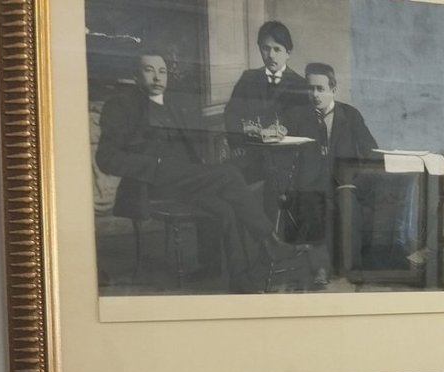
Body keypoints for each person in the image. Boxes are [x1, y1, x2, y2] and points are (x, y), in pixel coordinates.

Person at [95, 48, 295, 293]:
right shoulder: (120, 106)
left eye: (162, 71)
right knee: (229, 175)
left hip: (186, 179)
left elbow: (190, 148)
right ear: (136, 75)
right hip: (151, 184)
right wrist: (154, 166)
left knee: (226, 208)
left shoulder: (174, 104)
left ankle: (237, 278)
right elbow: (107, 158)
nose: (157, 77)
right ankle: (270, 240)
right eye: (149, 70)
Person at [283, 62, 378, 286]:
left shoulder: (351, 115)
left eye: (320, 89)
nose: (314, 94)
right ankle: (321, 268)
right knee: (314, 202)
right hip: (311, 183)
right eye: (310, 88)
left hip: (344, 182)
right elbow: (285, 153)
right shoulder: (296, 116)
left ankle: (352, 266)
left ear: (333, 89)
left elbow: (371, 151)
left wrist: (357, 181)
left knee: (346, 202)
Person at [224, 21, 309, 157]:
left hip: (285, 155)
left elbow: (303, 125)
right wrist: (238, 143)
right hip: (250, 153)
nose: (271, 55)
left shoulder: (300, 84)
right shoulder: (248, 78)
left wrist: (285, 130)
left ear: (288, 53)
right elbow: (231, 114)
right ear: (260, 49)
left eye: (277, 49)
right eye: (266, 48)